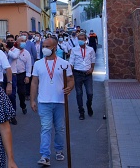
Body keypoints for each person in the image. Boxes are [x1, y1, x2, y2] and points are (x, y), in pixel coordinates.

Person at [30, 37, 74, 166]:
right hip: (44, 101)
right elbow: (34, 82)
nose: (44, 48)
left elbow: (71, 80)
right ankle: (45, 155)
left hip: (60, 101)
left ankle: (59, 150)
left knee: (60, 128)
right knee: (46, 128)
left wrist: (69, 87)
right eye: (43, 46)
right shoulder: (38, 64)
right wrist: (33, 100)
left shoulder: (64, 63)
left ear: (54, 48)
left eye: (47, 46)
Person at [69, 32, 96, 120]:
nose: (81, 41)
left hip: (88, 74)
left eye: (82, 39)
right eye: (79, 39)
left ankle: (89, 105)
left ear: (85, 39)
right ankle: (81, 111)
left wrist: (92, 68)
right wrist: (70, 73)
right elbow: (71, 62)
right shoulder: (74, 50)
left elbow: (93, 59)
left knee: (90, 93)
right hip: (78, 73)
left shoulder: (90, 49)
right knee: (79, 93)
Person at [3, 35, 20, 124]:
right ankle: (5, 114)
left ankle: (13, 114)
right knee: (3, 96)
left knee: (12, 95)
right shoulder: (2, 51)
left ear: (14, 42)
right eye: (8, 40)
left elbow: (14, 57)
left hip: (12, 74)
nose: (10, 41)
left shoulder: (16, 50)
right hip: (3, 75)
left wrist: (6, 49)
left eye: (11, 40)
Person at [16, 36, 32, 114]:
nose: (23, 42)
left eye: (24, 41)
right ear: (17, 42)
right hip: (12, 74)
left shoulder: (26, 53)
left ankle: (23, 105)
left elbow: (28, 65)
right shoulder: (12, 51)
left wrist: (27, 76)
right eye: (21, 41)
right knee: (11, 94)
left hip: (21, 74)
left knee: (21, 92)